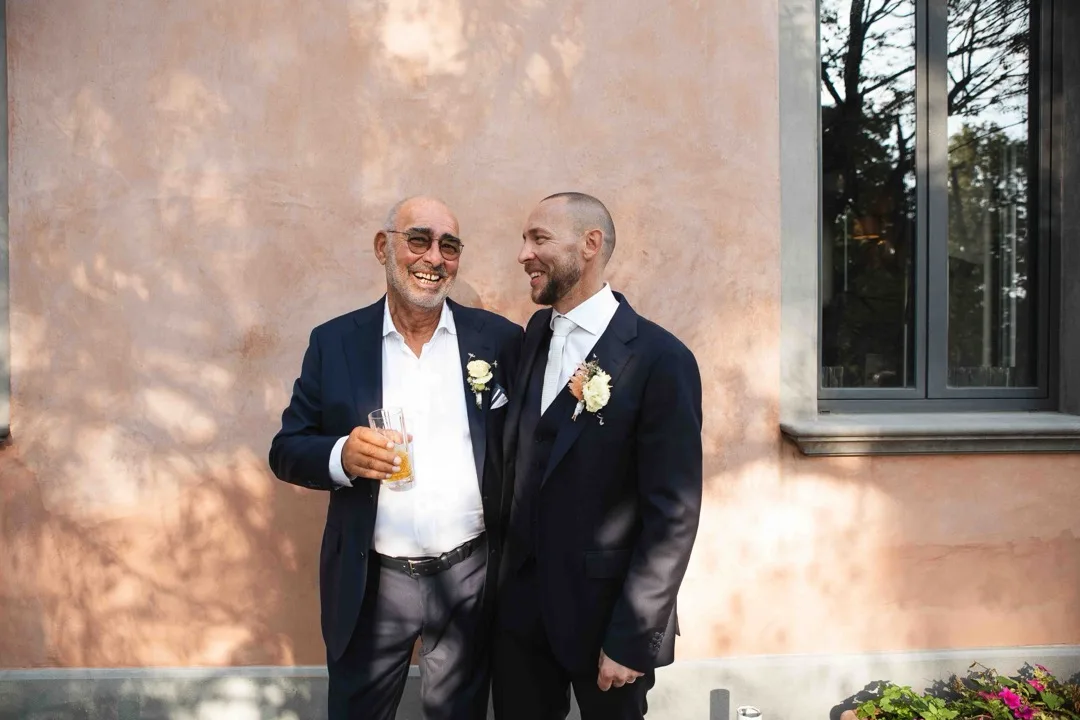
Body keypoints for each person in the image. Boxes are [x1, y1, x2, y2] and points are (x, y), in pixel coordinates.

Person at [269, 196, 523, 720]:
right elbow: (287, 449)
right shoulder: (335, 343)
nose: (434, 258)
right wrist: (342, 455)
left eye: (449, 246)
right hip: (373, 583)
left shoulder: (498, 341)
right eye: (419, 240)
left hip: (469, 578)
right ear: (383, 247)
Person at [493, 192, 703, 720]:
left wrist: (634, 636)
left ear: (590, 244)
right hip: (519, 621)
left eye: (539, 238)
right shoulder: (534, 336)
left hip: (607, 621)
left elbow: (673, 513)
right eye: (524, 239)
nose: (523, 254)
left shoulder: (661, 359)